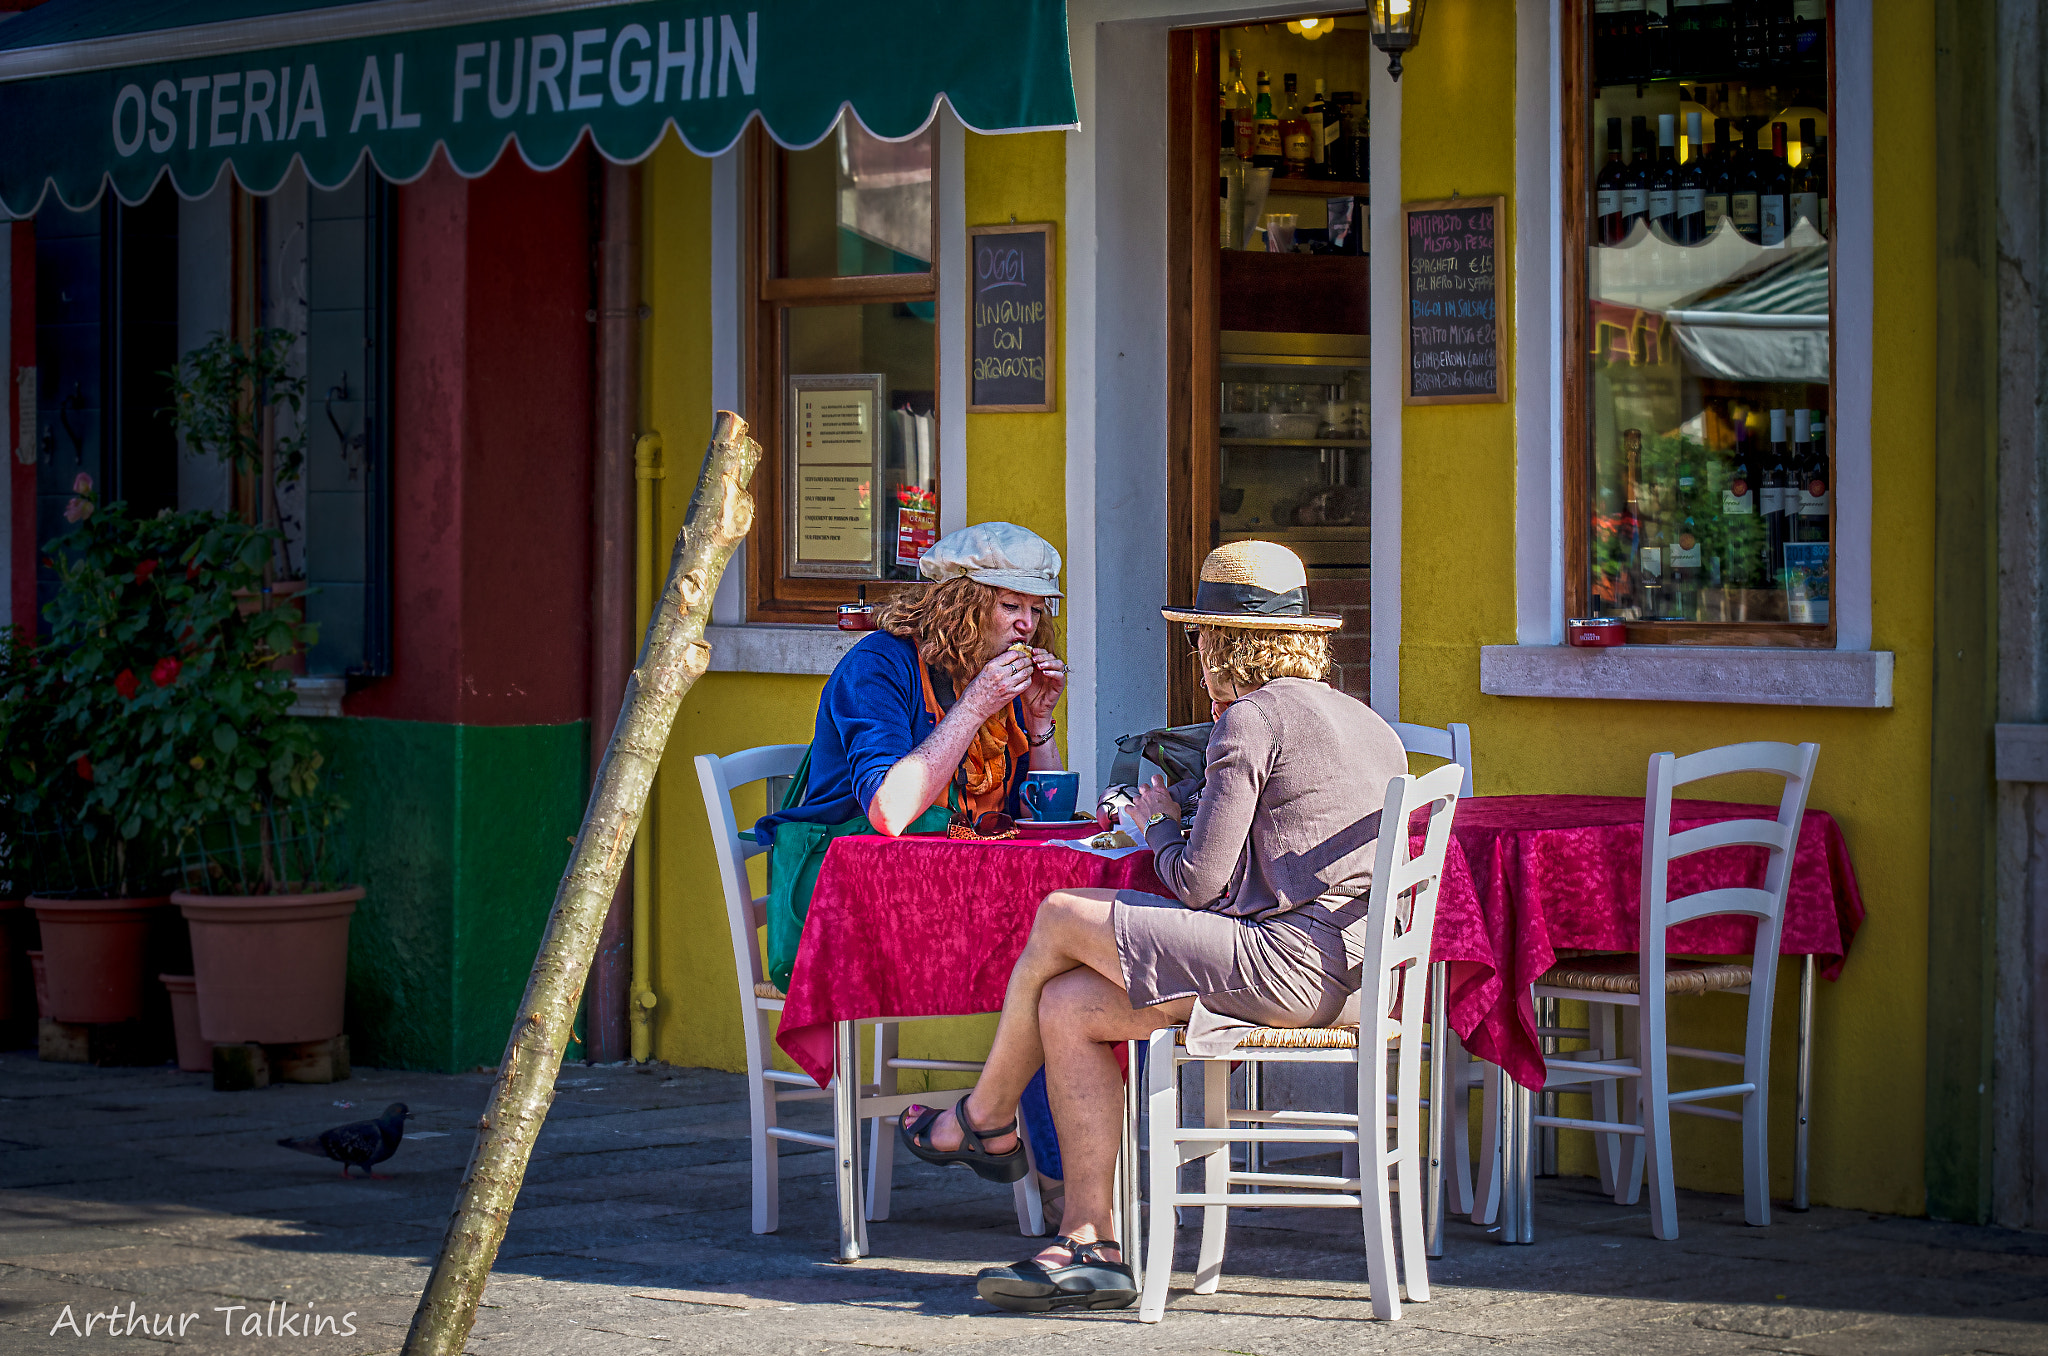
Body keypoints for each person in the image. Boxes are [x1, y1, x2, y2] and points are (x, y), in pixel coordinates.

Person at [895, 540, 1411, 1314]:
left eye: (1199, 639)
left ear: (1218, 645)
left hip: (1292, 968)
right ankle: (1090, 1242)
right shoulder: (1364, 720)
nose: (1198, 658)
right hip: (1356, 976)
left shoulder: (1251, 718)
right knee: (1068, 1003)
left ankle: (985, 1115)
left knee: (1062, 913)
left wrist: (1157, 826)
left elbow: (1198, 884)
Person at [751, 521, 1072, 1206]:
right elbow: (890, 812)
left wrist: (1038, 724)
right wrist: (981, 703)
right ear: (961, 601)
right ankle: (1036, 1166)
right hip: (854, 913)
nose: (1027, 626)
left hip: (955, 897)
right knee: (1054, 964)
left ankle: (1025, 1156)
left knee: (1070, 960)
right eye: (1010, 606)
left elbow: (1039, 816)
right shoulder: (880, 664)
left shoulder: (990, 681)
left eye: (1036, 610)